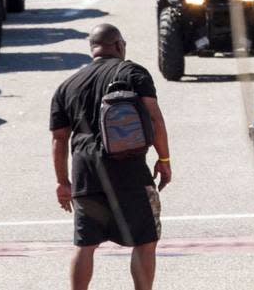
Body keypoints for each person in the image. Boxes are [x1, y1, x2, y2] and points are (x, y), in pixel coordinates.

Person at [49, 24, 171, 290]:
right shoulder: (132, 72)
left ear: (92, 48)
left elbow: (59, 138)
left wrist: (62, 182)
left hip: (85, 175)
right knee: (144, 240)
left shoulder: (67, 86)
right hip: (129, 171)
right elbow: (154, 118)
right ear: (118, 45)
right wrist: (164, 159)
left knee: (85, 245)